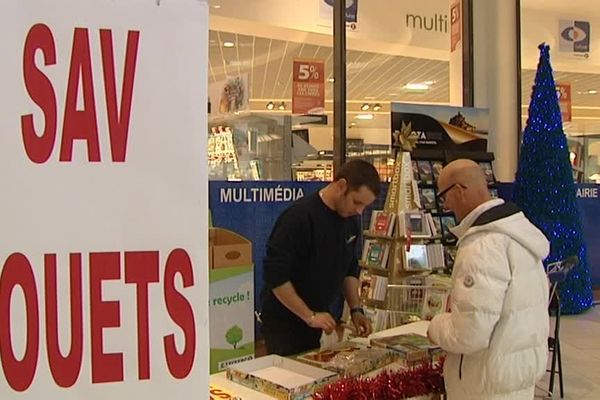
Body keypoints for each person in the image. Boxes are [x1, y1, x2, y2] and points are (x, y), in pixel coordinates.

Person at [427, 159, 550, 400]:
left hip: (483, 382)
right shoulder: (519, 236)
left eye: (443, 196)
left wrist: (436, 326)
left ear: (459, 191)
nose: (445, 205)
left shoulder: (482, 246)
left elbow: (469, 334)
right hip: (513, 374)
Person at [260, 159, 380, 356]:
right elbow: (276, 276)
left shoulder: (350, 222)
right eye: (357, 202)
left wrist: (356, 310)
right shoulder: (299, 217)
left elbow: (349, 268)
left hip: (318, 320)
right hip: (285, 322)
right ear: (341, 186)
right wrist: (309, 316)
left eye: (364, 206)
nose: (359, 211)